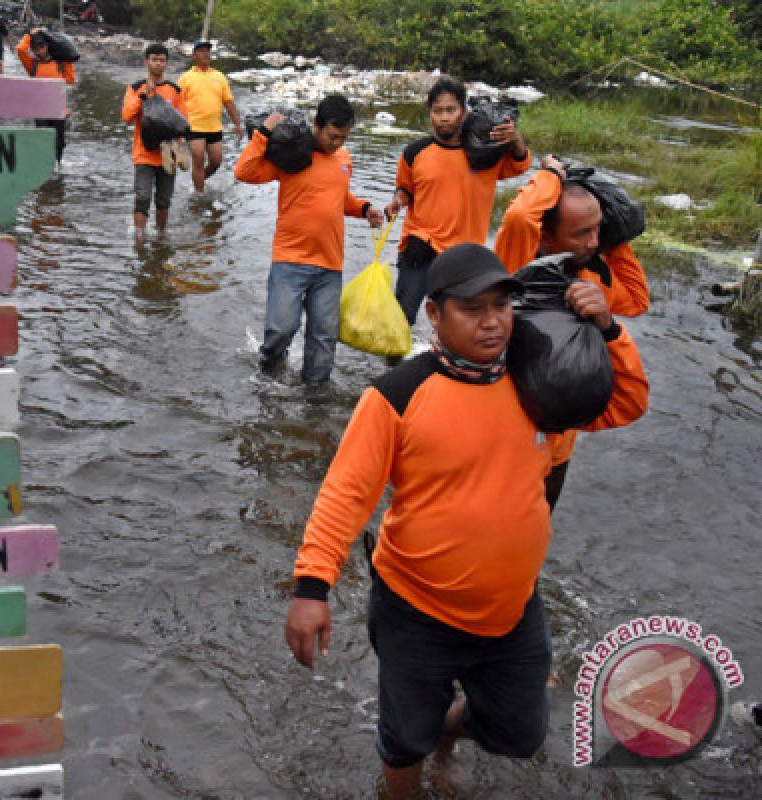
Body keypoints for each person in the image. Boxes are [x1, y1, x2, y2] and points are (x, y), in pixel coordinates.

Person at [283, 243, 649, 800]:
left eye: (502, 306)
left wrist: (611, 330)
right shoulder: (397, 395)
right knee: (404, 738)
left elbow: (625, 403)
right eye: (473, 308)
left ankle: (447, 734)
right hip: (415, 609)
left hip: (511, 610)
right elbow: (344, 495)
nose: (492, 322)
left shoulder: (539, 386)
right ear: (434, 313)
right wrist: (313, 588)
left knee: (520, 734)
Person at [494, 153, 650, 510]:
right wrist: (550, 174)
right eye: (581, 233)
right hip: (505, 439)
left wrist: (614, 237)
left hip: (557, 448)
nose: (593, 242)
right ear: (547, 236)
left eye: (598, 230)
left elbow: (638, 300)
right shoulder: (519, 269)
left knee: (534, 534)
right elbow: (520, 216)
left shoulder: (594, 282)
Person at [234, 94, 384, 388]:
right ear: (316, 125)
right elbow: (244, 172)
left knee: (324, 336)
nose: (337, 143)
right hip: (290, 258)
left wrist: (364, 209)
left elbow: (339, 199)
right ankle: (268, 375)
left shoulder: (343, 159)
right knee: (281, 329)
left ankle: (315, 396)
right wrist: (263, 133)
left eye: (343, 137)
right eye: (333, 136)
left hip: (329, 263)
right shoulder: (293, 154)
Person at [384, 77, 531, 330]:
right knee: (400, 322)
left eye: (450, 110)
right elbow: (405, 189)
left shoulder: (483, 153)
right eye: (437, 111)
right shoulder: (415, 152)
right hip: (420, 246)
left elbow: (520, 164)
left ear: (463, 112)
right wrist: (397, 201)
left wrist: (516, 139)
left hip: (464, 254)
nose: (444, 118)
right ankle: (397, 365)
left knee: (459, 324)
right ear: (429, 114)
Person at [121, 44, 187, 236]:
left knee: (164, 200)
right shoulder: (135, 88)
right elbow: (126, 116)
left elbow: (183, 122)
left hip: (168, 154)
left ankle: (160, 236)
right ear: (147, 62)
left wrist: (179, 148)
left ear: (166, 63)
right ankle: (139, 240)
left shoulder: (174, 90)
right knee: (142, 197)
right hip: (144, 154)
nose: (158, 64)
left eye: (162, 60)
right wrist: (143, 96)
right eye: (154, 60)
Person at [178, 40, 243, 192]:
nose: (206, 53)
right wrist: (178, 130)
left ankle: (198, 181)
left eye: (208, 50)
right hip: (193, 126)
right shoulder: (185, 78)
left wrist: (237, 125)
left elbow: (228, 103)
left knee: (216, 162)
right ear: (194, 55)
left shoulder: (220, 77)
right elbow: (178, 104)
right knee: (198, 159)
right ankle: (199, 194)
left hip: (214, 127)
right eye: (201, 51)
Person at [16, 28, 77, 162]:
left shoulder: (60, 63)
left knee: (59, 142)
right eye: (36, 49)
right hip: (40, 109)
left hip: (58, 109)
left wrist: (67, 60)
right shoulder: (32, 64)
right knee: (43, 140)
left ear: (47, 46)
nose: (40, 51)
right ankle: (45, 168)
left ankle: (58, 166)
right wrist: (30, 35)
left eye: (42, 47)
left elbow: (71, 80)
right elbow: (20, 49)